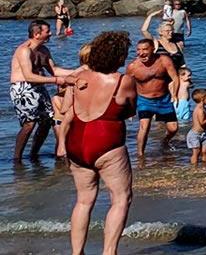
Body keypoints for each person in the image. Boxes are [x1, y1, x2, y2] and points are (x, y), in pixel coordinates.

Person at [62, 32, 132, 255]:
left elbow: (68, 107)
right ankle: (109, 252)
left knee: (83, 200)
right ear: (119, 57)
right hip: (106, 142)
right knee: (121, 198)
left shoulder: (80, 76)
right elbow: (130, 109)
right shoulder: (123, 80)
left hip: (76, 140)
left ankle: (77, 252)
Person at [14, 20, 73, 162]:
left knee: (47, 120)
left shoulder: (44, 51)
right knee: (29, 123)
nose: (51, 33)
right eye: (48, 31)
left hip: (40, 87)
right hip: (23, 88)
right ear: (37, 34)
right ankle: (17, 159)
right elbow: (28, 76)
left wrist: (78, 72)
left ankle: (34, 155)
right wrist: (55, 80)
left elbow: (55, 71)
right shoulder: (24, 50)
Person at [128, 38, 181, 158]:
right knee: (144, 126)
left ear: (153, 49)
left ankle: (165, 141)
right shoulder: (133, 67)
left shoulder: (164, 60)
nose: (141, 53)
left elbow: (175, 78)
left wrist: (175, 95)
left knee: (173, 128)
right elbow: (127, 87)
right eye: (138, 50)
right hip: (144, 100)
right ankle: (140, 155)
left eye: (145, 49)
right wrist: (130, 107)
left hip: (164, 99)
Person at [186, 88, 206, 166]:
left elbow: (203, 119)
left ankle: (205, 166)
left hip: (203, 134)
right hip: (195, 135)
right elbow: (202, 123)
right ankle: (194, 167)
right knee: (196, 152)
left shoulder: (203, 109)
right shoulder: (199, 110)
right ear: (203, 99)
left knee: (205, 151)